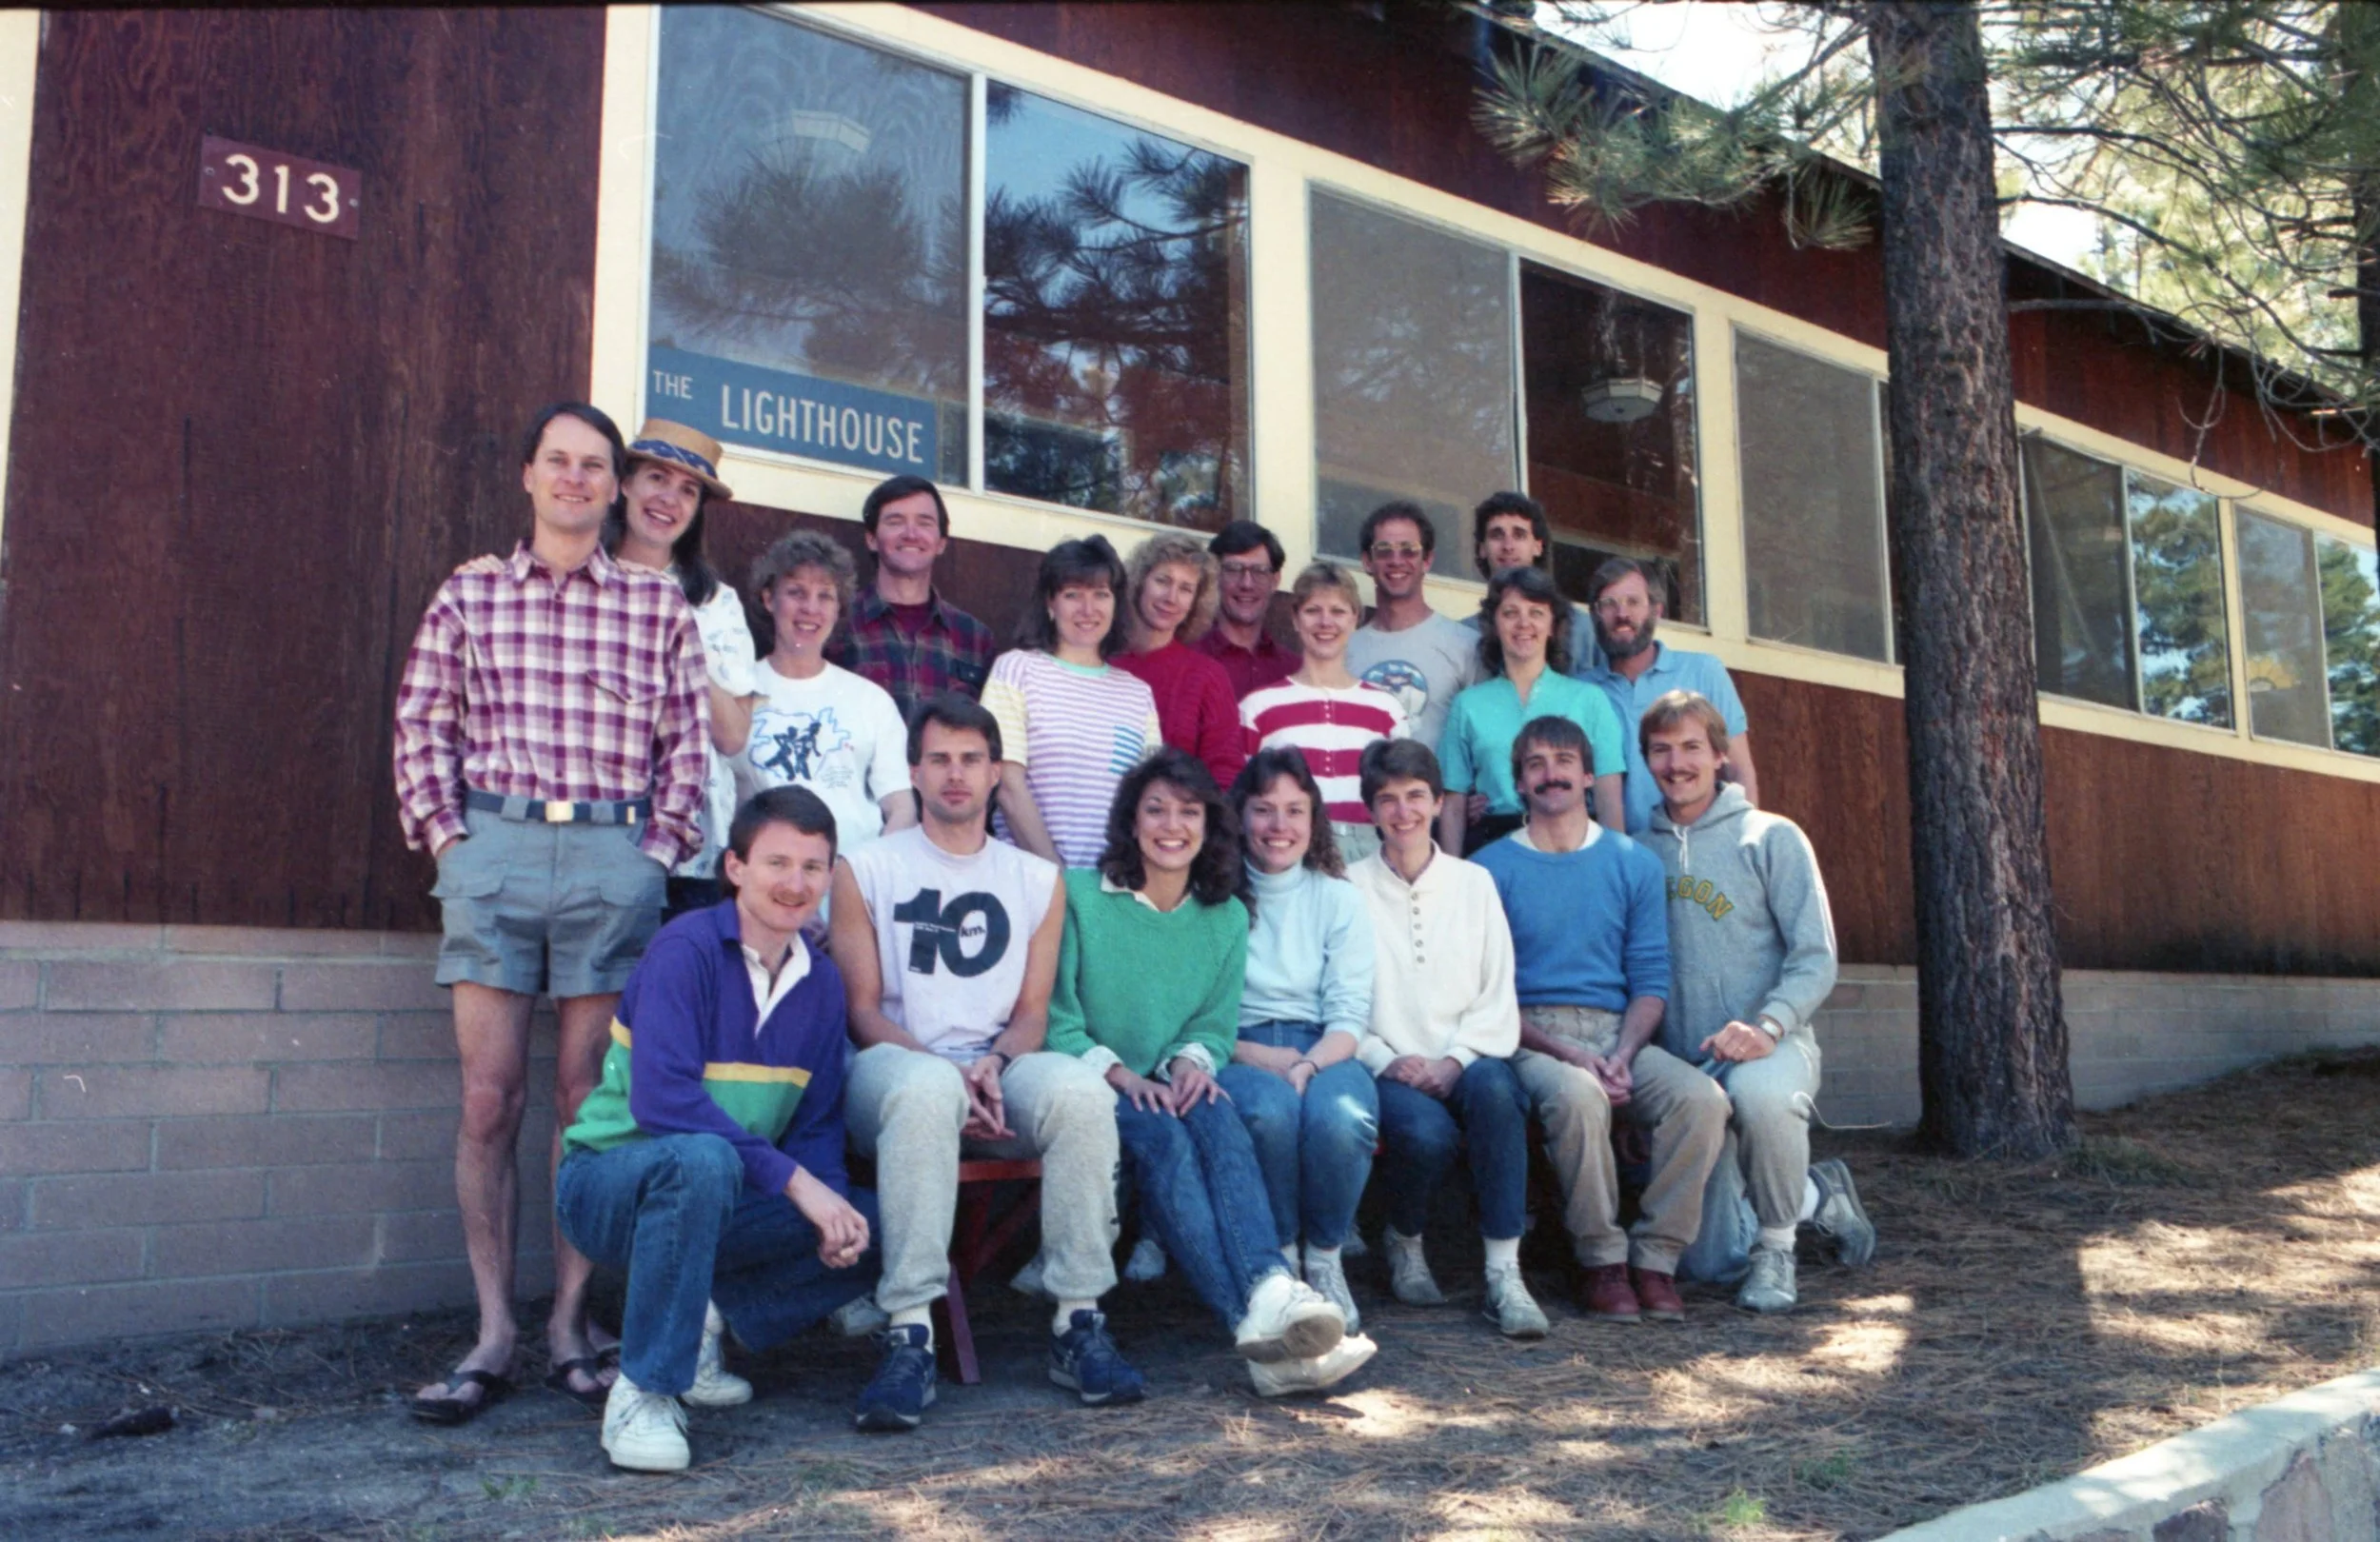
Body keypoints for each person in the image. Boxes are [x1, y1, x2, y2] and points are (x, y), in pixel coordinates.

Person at [393, 402, 710, 1421]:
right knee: (490, 1100)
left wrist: (649, 856)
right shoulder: (471, 595)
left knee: (586, 1103)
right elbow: (419, 723)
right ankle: (492, 1333)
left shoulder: (657, 608)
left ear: (617, 486)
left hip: (612, 858)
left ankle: (571, 1324)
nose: (576, 480)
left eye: (595, 466)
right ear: (530, 474)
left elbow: (689, 750)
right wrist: (450, 839)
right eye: (558, 462)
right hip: (496, 851)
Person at [828, 695, 1143, 1428]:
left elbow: (1034, 1013)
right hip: (892, 1066)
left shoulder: (1036, 878)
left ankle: (1078, 1319)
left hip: (1000, 1067)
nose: (956, 775)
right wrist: (943, 1071)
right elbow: (863, 1010)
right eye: (938, 759)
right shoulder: (865, 867)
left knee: (1081, 1094)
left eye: (971, 759)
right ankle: (909, 1331)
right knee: (924, 1094)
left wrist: (995, 1065)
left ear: (997, 771)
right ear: (914, 771)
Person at [556, 786, 880, 1471]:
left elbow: (816, 1124)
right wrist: (799, 1186)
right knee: (700, 1158)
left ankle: (699, 1317)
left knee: (880, 1225)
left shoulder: (821, 985)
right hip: (611, 1185)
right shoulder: (687, 949)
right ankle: (644, 1391)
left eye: (814, 868)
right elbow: (664, 1103)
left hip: (724, 1196)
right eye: (777, 863)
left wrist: (828, 1204)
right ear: (735, 867)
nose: (796, 885)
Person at [1046, 747, 1375, 1395]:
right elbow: (1057, 1018)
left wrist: (1194, 1062)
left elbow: (1211, 1022)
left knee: (1218, 1116)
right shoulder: (1080, 896)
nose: (1173, 825)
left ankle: (1274, 1288)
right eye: (1156, 810)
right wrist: (1123, 1077)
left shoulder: (1222, 915)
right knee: (1167, 1141)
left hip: (1170, 1077)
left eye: (1189, 812)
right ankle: (1259, 1336)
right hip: (1090, 1083)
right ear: (1131, 821)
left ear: (1209, 825)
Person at [1472, 715, 1729, 1325]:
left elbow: (1649, 979)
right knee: (1581, 1098)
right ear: (1518, 784)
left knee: (1702, 1099)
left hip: (1620, 1030)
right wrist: (1573, 1057)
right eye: (1535, 764)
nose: (1551, 774)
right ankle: (1602, 1260)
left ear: (1589, 775)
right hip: (1531, 1035)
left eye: (1563, 761)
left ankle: (1657, 1259)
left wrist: (1622, 1051)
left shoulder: (1631, 862)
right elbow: (1488, 995)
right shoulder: (1487, 870)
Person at [1638, 691, 1874, 1312]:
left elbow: (1814, 957)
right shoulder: (1639, 853)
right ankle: (1816, 1196)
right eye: (1661, 750)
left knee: (1761, 1097)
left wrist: (1768, 1025)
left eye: (1692, 747)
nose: (1677, 762)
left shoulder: (1770, 837)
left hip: (1772, 1043)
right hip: (1689, 1064)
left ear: (1720, 755)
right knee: (1711, 1263)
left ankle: (1777, 1250)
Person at [1343, 739, 1545, 1338]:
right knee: (1426, 1136)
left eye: (1415, 797)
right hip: (1387, 1061)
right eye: (1388, 800)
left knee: (1499, 1097)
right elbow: (1342, 998)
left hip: (1468, 1055)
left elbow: (1496, 989)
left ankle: (1505, 1274)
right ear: (1371, 811)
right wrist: (1387, 1057)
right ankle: (1404, 1237)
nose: (1402, 812)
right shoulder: (1347, 888)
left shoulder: (1473, 883)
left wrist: (1456, 1060)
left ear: (1436, 804)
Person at [1215, 748, 1378, 1331]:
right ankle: (1281, 1262)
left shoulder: (1336, 897)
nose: (1279, 826)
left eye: (1294, 810)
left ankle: (1325, 1257)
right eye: (1263, 810)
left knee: (1344, 1119)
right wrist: (1258, 1056)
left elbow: (1349, 1013)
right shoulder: (1215, 894)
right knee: (1270, 1114)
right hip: (1236, 1044)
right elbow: (1195, 1013)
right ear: (1240, 816)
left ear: (1314, 820)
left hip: (1323, 1044)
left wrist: (1309, 1063)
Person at [605, 420, 761, 916]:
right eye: (656, 478)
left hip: (688, 848)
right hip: (596, 834)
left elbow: (734, 736)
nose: (669, 499)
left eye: (687, 490)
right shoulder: (581, 579)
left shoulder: (715, 602)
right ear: (624, 484)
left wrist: (677, 634)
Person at [982, 536, 1160, 870]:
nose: (1088, 609)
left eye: (1101, 594)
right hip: (1032, 877)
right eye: (1072, 595)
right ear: (1050, 604)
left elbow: (1150, 799)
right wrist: (1056, 876)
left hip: (1115, 887)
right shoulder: (1017, 669)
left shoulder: (1138, 694)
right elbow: (1006, 784)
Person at [735, 530, 916, 852]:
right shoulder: (737, 692)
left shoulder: (870, 701)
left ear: (838, 608)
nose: (811, 608)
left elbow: (901, 808)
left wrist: (867, 873)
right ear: (768, 599)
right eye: (796, 592)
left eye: (825, 596)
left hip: (851, 885)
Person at [1438, 564, 1626, 854]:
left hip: (1573, 843)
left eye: (1536, 612)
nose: (1523, 623)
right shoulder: (1469, 704)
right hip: (1492, 846)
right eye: (1510, 613)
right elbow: (1453, 804)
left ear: (1553, 626)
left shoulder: (1589, 699)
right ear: (1494, 624)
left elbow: (1609, 797)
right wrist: (1448, 877)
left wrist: (1615, 865)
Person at [1240, 562, 1410, 866]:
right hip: (1285, 848)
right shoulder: (1259, 707)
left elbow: (1401, 797)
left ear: (1356, 618)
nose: (1325, 622)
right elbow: (1243, 797)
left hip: (1366, 852)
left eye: (1339, 611)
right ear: (1294, 618)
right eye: (1313, 610)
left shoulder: (1387, 710)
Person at [1580, 557, 1760, 834]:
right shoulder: (1581, 691)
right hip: (1618, 860)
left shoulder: (1703, 671)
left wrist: (1744, 844)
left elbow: (1739, 770)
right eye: (1609, 604)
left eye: (1633, 602)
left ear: (1657, 610)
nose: (1621, 614)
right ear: (1595, 614)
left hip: (1697, 851)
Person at [826, 474, 999, 721]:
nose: (910, 533)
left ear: (941, 542)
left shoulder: (975, 638)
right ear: (872, 539)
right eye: (895, 522)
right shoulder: (836, 622)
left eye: (925, 522)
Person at [1344, 501, 1482, 751]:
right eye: (1384, 550)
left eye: (1409, 550)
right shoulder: (1345, 649)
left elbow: (1481, 740)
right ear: (1367, 561)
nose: (1397, 560)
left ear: (1427, 560)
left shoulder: (1466, 646)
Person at [1116, 532, 1245, 791]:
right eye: (1163, 581)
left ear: (1196, 602)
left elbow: (1225, 773)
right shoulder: (1103, 662)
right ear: (1140, 582)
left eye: (1186, 589)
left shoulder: (1207, 677)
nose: (1171, 597)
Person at [1458, 491, 1594, 673]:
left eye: (1519, 535)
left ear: (1538, 546)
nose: (1508, 546)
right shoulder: (1464, 635)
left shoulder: (1581, 630)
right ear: (1482, 548)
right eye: (1497, 535)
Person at [1196, 520, 1298, 698]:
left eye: (1259, 571)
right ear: (1215, 576)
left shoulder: (1295, 672)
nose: (1246, 584)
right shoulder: (1192, 662)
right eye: (1234, 569)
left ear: (1275, 580)